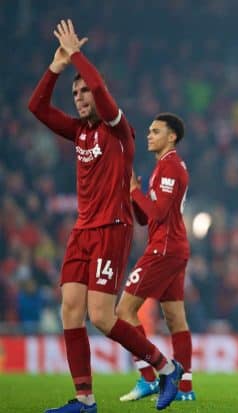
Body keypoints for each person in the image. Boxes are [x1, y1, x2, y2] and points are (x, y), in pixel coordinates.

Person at [28, 20, 182, 413]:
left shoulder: (119, 130)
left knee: (101, 316)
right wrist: (56, 66)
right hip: (82, 230)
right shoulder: (79, 131)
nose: (80, 97)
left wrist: (76, 53)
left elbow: (99, 87)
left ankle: (166, 368)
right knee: (70, 310)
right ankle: (85, 400)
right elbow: (37, 107)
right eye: (75, 93)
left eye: (84, 92)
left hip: (113, 228)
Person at [116, 113, 195, 402]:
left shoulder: (170, 167)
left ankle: (148, 377)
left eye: (155, 131)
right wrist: (134, 196)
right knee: (175, 319)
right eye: (149, 131)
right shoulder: (163, 167)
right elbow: (147, 217)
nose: (149, 135)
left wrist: (136, 192)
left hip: (163, 249)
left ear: (171, 136)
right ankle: (185, 389)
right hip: (174, 248)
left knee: (123, 312)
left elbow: (158, 213)